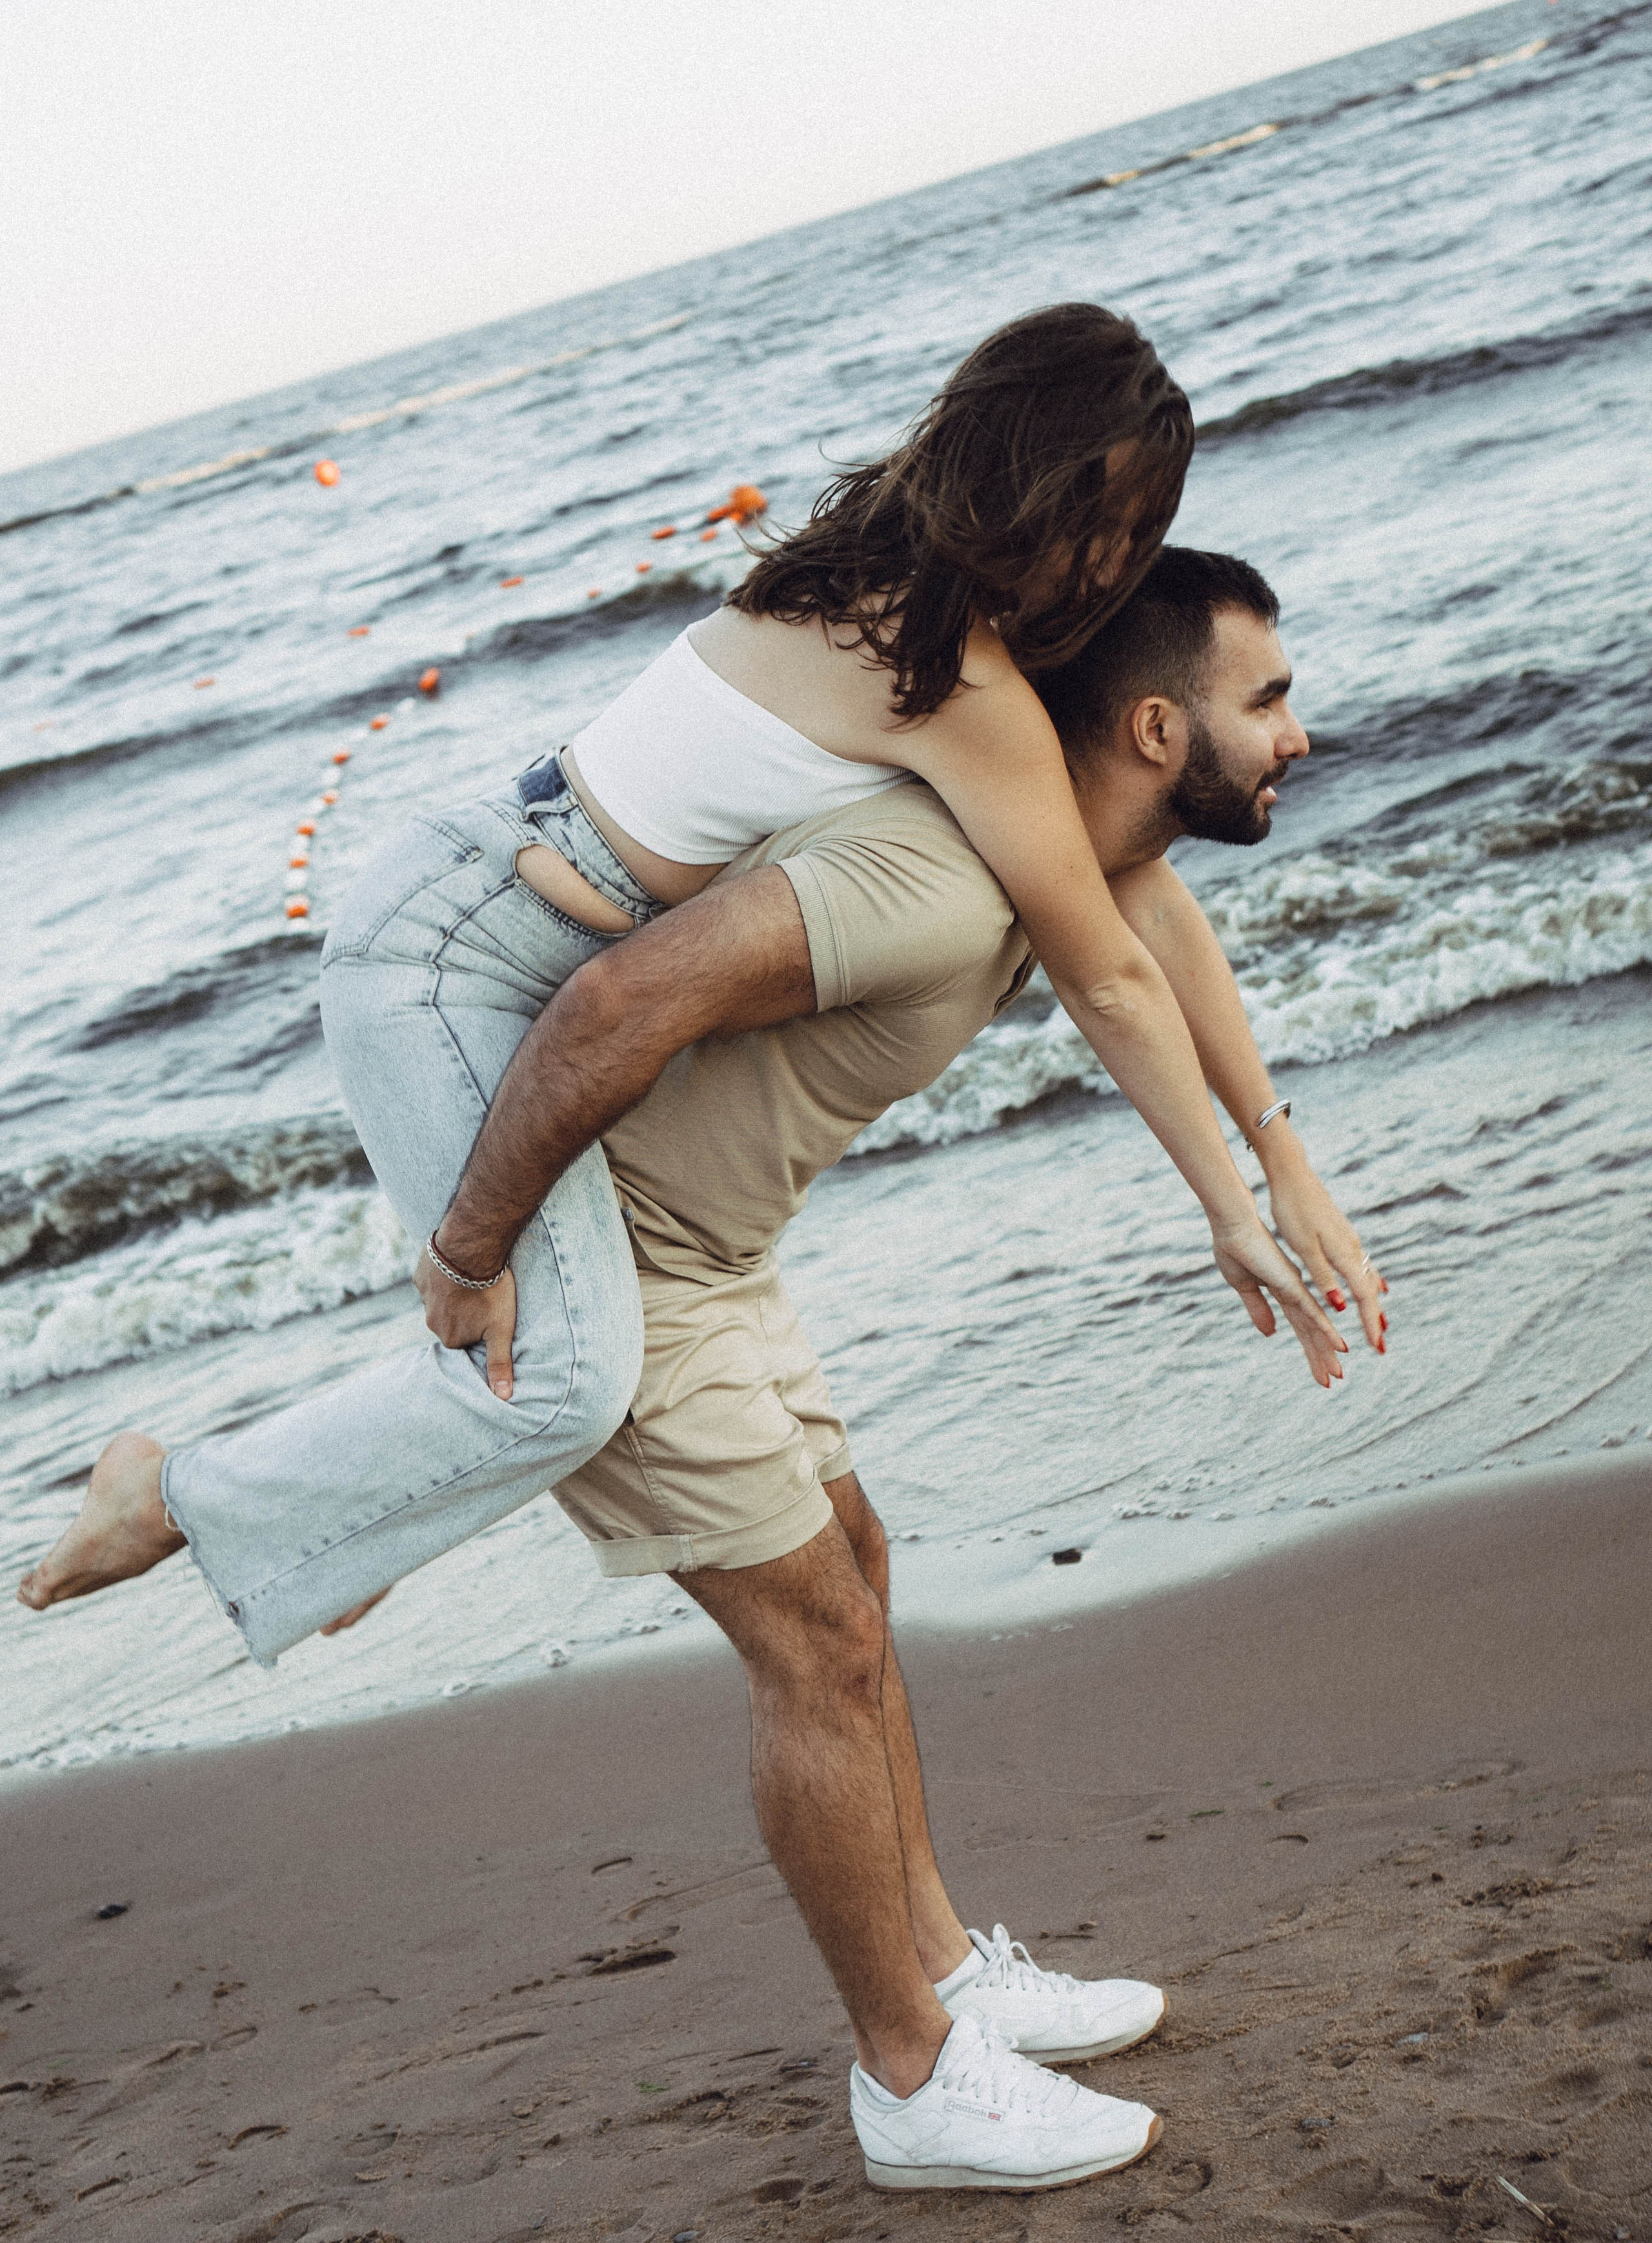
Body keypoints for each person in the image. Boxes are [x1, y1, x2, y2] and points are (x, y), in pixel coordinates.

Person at [21, 550, 1386, 2195]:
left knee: (855, 1579)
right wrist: (468, 1259)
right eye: (1270, 700)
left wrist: (1269, 1173)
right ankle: (909, 2079)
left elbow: (1156, 945)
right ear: (1159, 729)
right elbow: (614, 1005)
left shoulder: (1062, 875)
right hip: (632, 1269)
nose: (1296, 731)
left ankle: (952, 1982)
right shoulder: (923, 877)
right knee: (812, 1640)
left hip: (721, 1261)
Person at [21, 303, 1342, 1654]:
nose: (1116, 564)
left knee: (553, 1358)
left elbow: (1133, 895)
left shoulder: (873, 587)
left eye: (1137, 528)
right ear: (1030, 479)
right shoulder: (950, 675)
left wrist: (1273, 1157)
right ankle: (183, 1495)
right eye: (1108, 519)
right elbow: (1109, 977)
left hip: (512, 933)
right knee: (559, 1378)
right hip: (449, 959)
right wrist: (1232, 1205)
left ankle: (332, 1519)